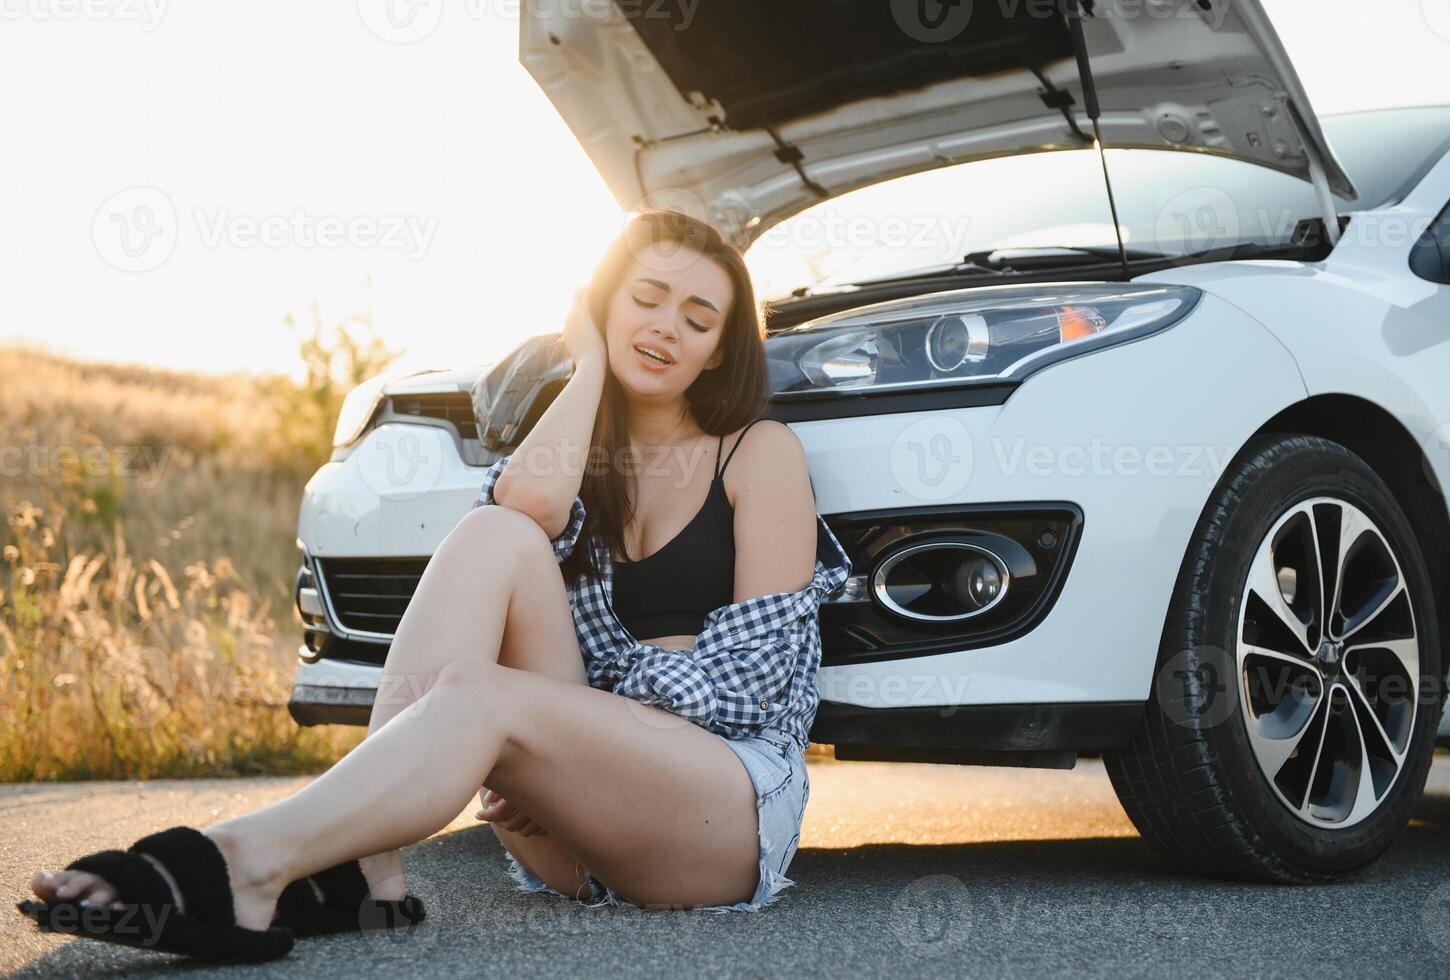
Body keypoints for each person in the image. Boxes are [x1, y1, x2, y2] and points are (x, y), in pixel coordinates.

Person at [18, 209, 852, 961]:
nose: (666, 328)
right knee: (494, 532)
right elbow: (522, 505)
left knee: (479, 694)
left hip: (717, 821)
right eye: (646, 298)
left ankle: (238, 860)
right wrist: (588, 363)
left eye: (696, 319)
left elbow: (749, 689)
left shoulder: (757, 452)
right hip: (572, 828)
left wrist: (548, 739)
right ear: (603, 304)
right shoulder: (573, 454)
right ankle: (367, 873)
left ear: (718, 351)